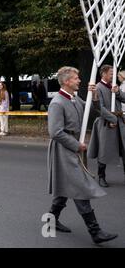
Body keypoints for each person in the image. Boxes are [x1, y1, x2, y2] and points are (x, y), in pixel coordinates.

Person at [47, 66, 117, 244]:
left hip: (75, 148)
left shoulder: (74, 98)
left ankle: (51, 220)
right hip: (64, 150)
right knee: (79, 187)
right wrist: (76, 145)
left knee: (65, 187)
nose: (79, 80)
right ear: (66, 81)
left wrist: (94, 96)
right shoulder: (57, 102)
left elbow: (93, 110)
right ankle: (95, 232)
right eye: (76, 78)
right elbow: (55, 132)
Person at [88, 64, 125, 187]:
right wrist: (112, 118)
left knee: (124, 149)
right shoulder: (98, 88)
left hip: (120, 123)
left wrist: (118, 92)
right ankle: (101, 176)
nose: (113, 76)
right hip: (106, 123)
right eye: (111, 73)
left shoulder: (114, 86)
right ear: (103, 74)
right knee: (104, 151)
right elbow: (99, 108)